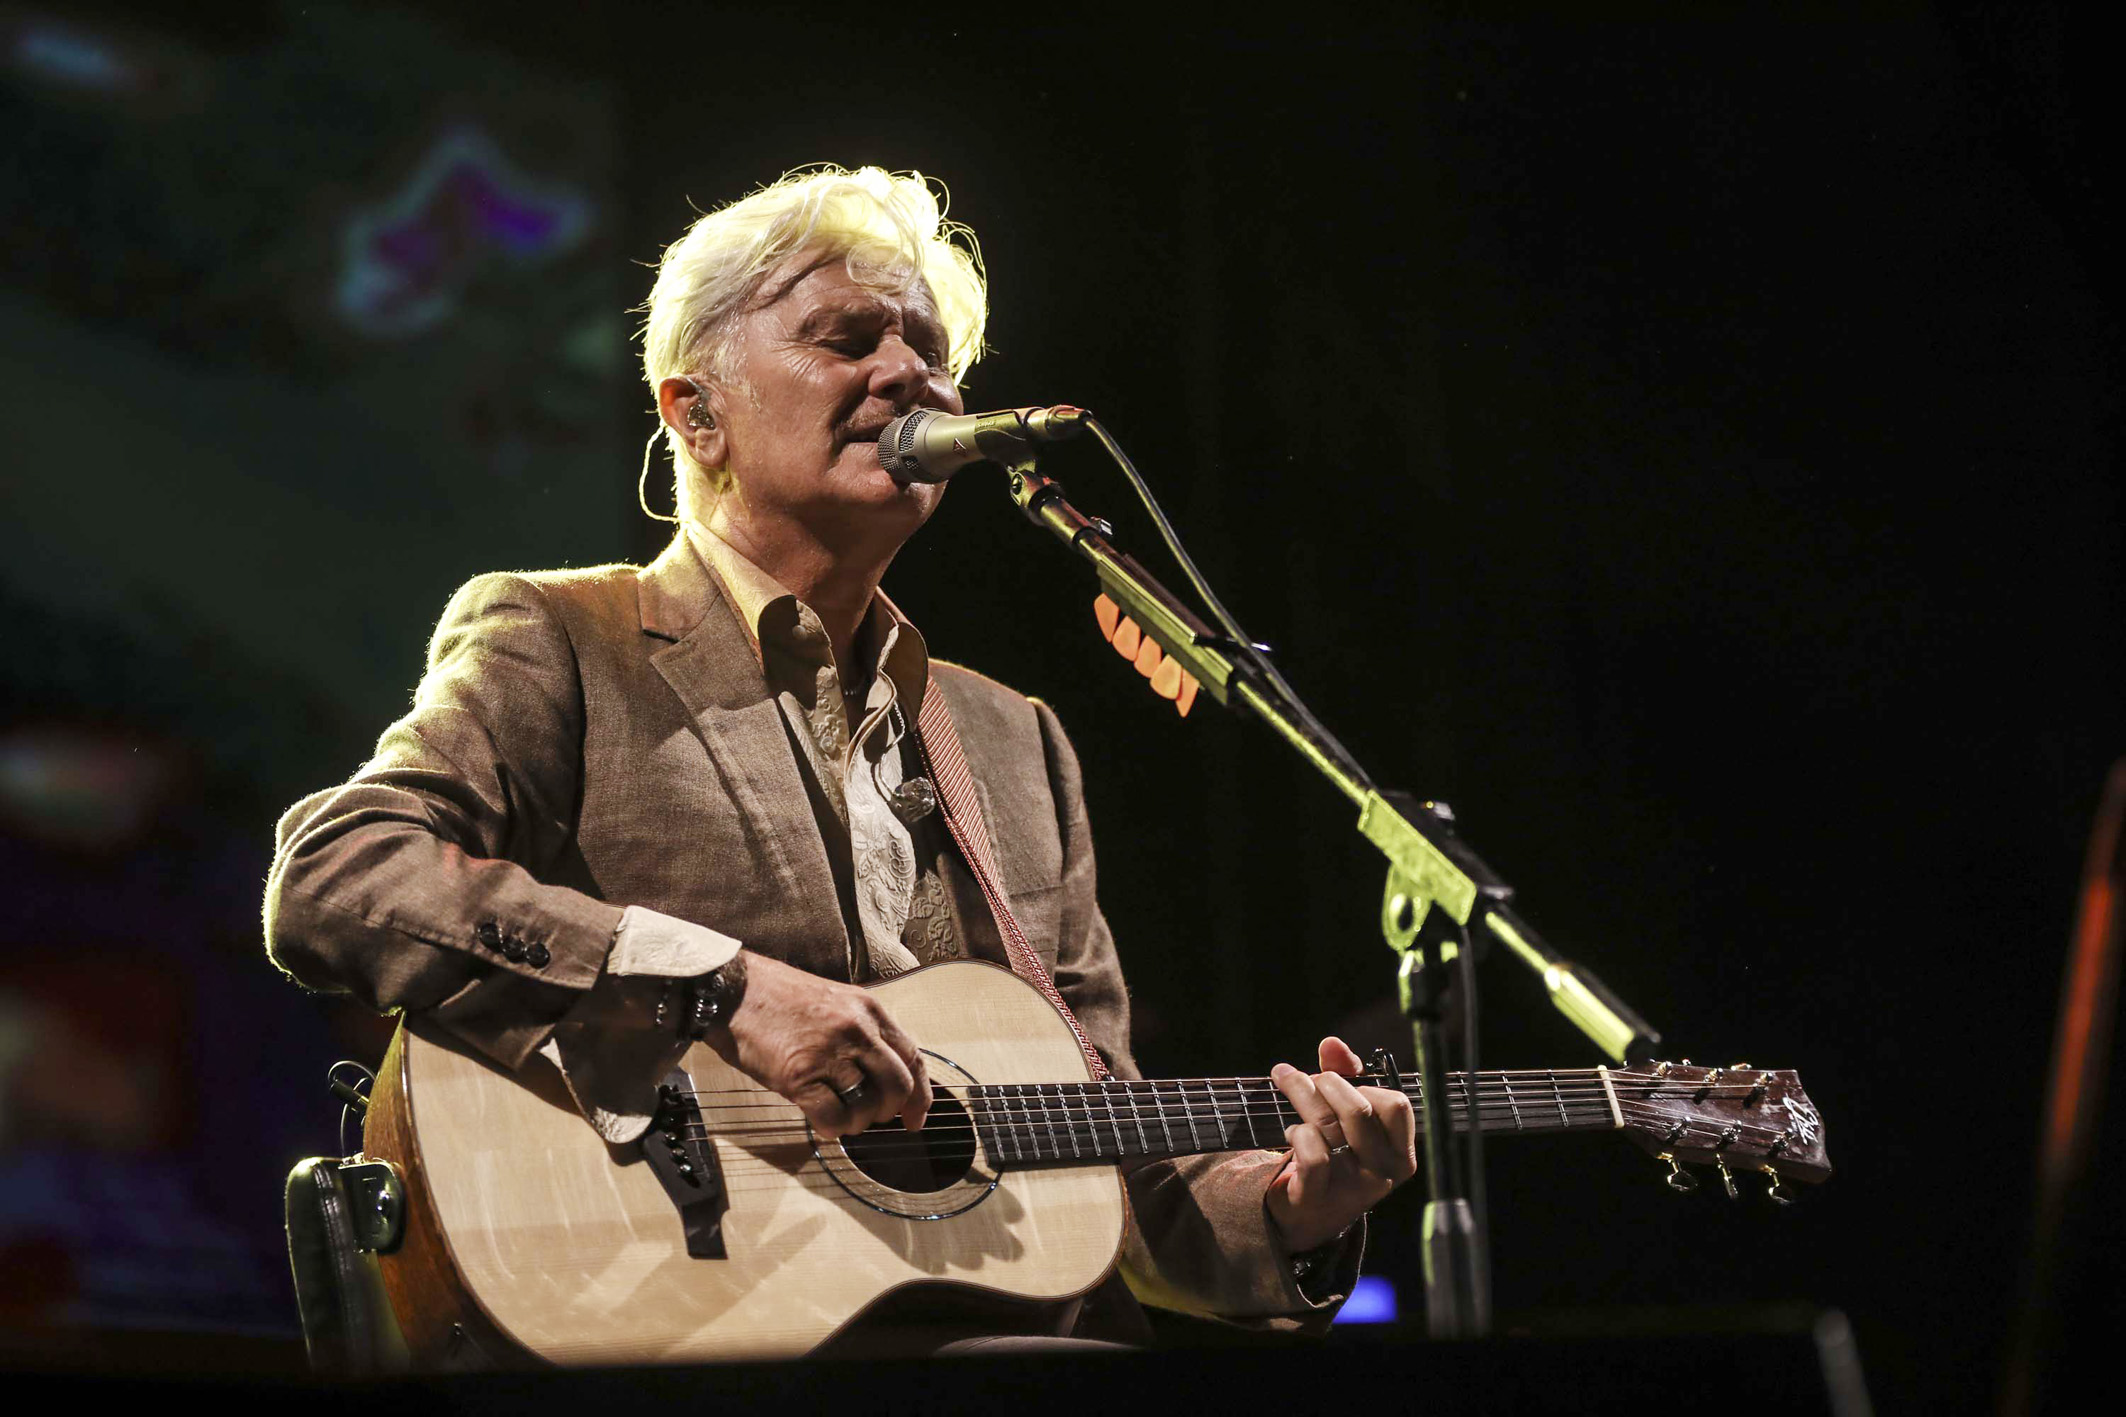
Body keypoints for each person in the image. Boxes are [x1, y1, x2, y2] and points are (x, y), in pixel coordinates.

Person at [264, 165, 1415, 1355]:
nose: (908, 373)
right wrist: (719, 987)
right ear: (694, 413)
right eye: (846, 336)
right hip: (648, 1304)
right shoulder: (563, 639)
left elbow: (1110, 1157)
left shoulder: (1013, 743)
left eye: (928, 347)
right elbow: (337, 876)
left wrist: (1292, 1206)